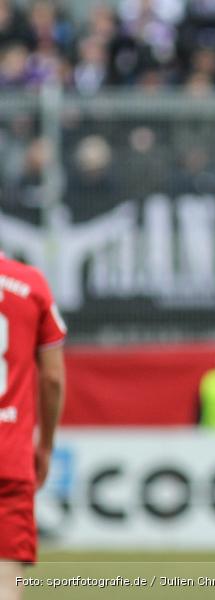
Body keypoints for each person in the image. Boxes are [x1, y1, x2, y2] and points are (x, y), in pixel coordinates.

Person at [0, 252, 67, 600]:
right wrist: (46, 444)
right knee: (6, 582)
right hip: (10, 455)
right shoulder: (30, 283)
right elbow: (52, 378)